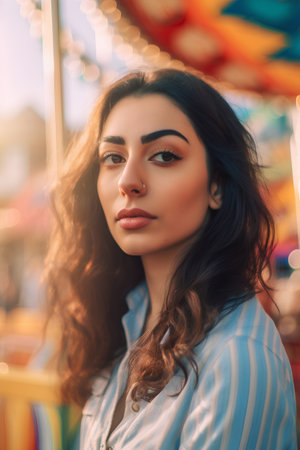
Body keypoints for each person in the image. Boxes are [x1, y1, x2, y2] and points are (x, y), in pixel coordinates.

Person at [44, 69, 297, 449]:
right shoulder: (128, 320)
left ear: (217, 186)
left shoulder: (236, 358)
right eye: (113, 157)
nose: (127, 181)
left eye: (164, 155)